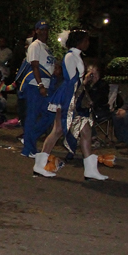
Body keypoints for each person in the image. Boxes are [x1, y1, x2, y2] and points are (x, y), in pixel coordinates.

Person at [33, 29, 108, 180]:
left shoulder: (75, 56)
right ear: (79, 41)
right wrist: (85, 80)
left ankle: (90, 170)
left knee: (85, 131)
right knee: (58, 130)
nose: (88, 43)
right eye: (86, 40)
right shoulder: (70, 56)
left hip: (74, 96)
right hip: (68, 98)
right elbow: (71, 80)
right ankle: (39, 165)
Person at [18, 20, 57, 157]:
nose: (44, 31)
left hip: (47, 85)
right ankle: (28, 149)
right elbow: (34, 66)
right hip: (35, 86)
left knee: (49, 114)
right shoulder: (35, 45)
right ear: (36, 31)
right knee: (32, 117)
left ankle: (29, 139)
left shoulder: (46, 47)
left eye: (46, 29)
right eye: (41, 29)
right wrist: (40, 84)